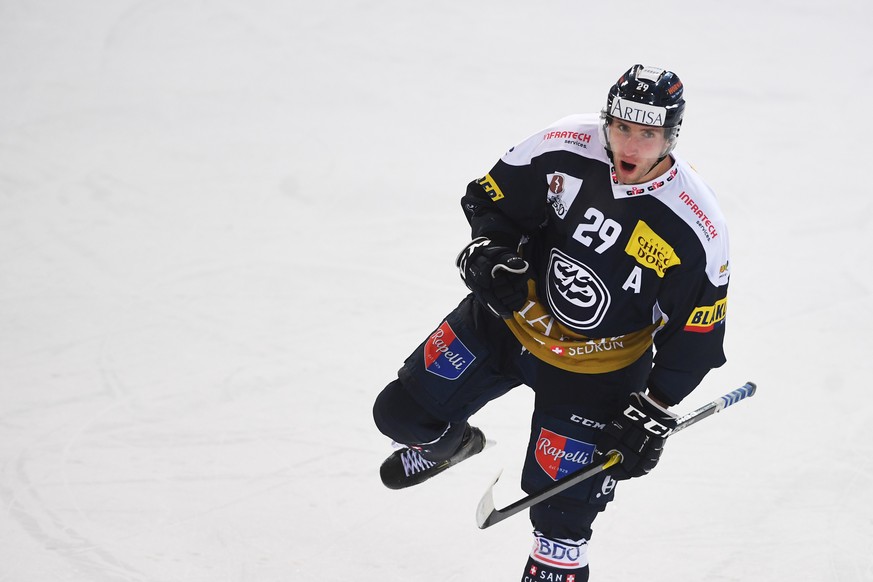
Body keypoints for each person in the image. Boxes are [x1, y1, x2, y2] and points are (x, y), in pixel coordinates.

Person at [373, 64, 730, 581]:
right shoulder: (562, 145)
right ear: (607, 119)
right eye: (622, 127)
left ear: (671, 135)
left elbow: (695, 339)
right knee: (398, 415)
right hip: (508, 322)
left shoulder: (695, 225)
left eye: (648, 134)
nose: (630, 145)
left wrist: (652, 409)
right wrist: (488, 249)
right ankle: (451, 446)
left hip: (596, 375)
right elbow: (492, 202)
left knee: (560, 527)